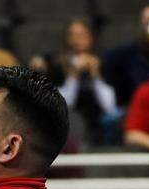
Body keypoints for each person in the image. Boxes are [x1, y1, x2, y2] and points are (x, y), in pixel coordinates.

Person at [29, 18, 121, 146]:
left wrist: (96, 75)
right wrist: (74, 75)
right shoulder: (57, 64)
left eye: (82, 35)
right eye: (72, 35)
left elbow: (109, 107)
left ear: (91, 37)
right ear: (66, 39)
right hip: (68, 119)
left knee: (115, 118)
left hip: (98, 118)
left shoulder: (102, 63)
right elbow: (63, 103)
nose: (77, 40)